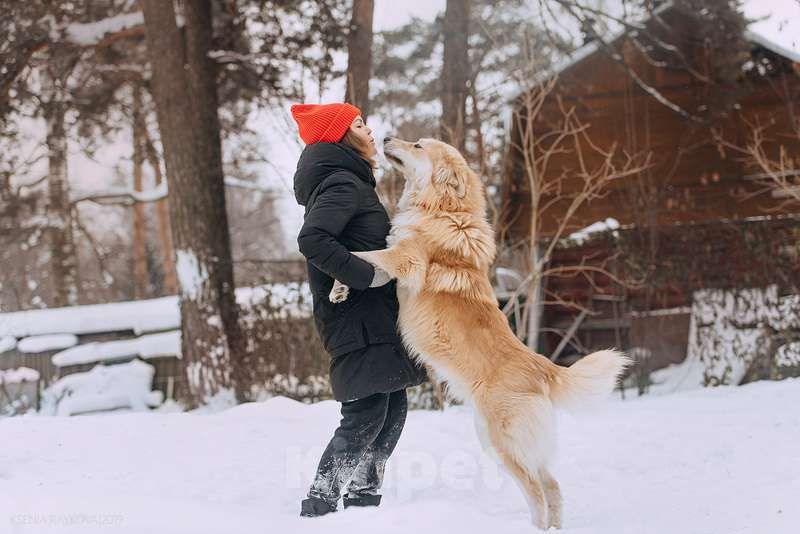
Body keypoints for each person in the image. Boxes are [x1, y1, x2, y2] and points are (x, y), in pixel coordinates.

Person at [290, 102, 427, 517]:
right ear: (341, 137)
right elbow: (313, 240)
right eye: (359, 125)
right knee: (367, 410)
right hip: (357, 314)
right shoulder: (342, 184)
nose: (369, 132)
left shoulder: (349, 181)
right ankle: (321, 501)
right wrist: (367, 277)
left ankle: (365, 497)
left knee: (391, 406)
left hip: (374, 316)